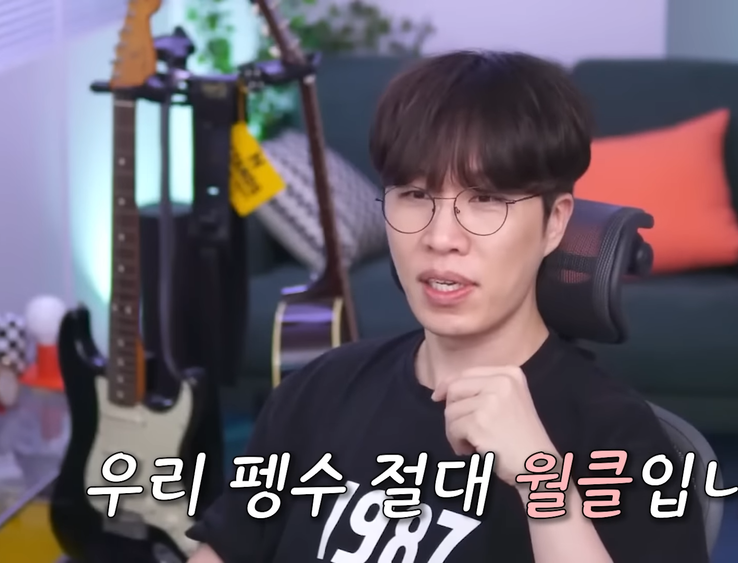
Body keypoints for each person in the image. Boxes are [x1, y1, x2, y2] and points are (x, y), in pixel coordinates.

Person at [187, 50, 709, 563]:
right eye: (415, 195)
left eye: (485, 200)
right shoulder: (318, 391)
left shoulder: (618, 438)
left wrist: (541, 479)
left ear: (554, 223)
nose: (440, 238)